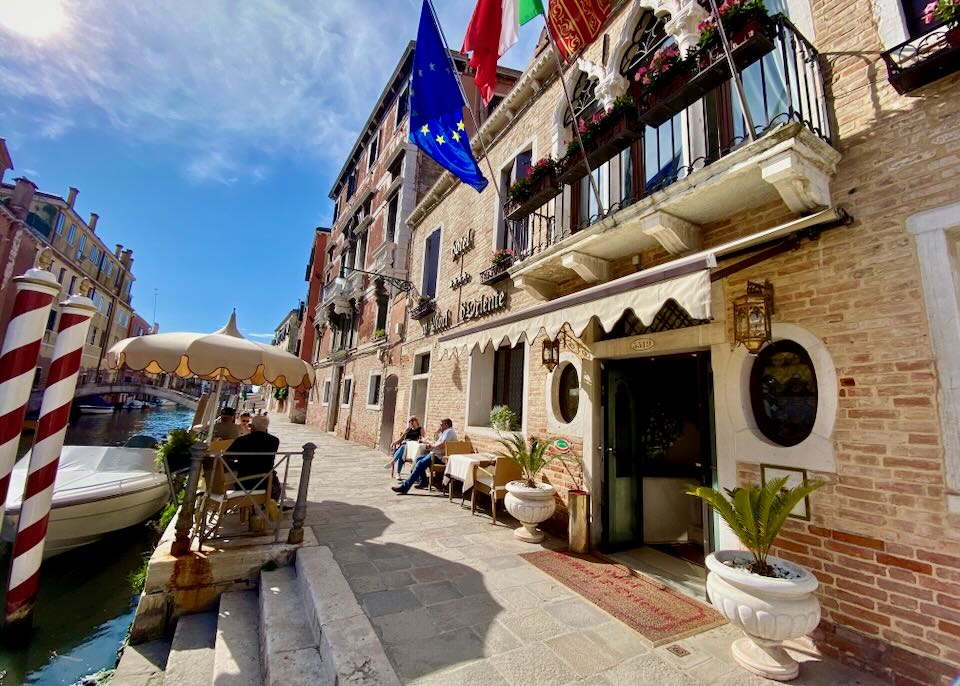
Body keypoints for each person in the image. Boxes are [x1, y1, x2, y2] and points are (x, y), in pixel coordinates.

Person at [392, 418, 457, 494]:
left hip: (439, 457)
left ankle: (405, 487)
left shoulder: (449, 431)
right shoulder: (446, 432)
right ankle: (424, 482)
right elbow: (437, 441)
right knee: (418, 459)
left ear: (446, 425)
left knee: (420, 463)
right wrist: (437, 432)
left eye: (441, 425)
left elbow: (443, 444)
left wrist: (432, 447)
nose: (440, 426)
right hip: (435, 455)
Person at [225, 415, 281, 500]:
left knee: (228, 476)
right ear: (266, 427)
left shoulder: (241, 440)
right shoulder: (275, 441)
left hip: (244, 483)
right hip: (266, 482)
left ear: (252, 427)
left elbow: (227, 457)